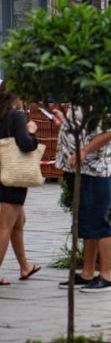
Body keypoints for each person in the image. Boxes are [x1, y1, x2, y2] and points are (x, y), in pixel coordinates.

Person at [53, 106, 111, 292]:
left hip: (95, 171)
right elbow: (82, 130)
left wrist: (84, 151)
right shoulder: (81, 99)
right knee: (89, 224)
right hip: (80, 170)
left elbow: (110, 131)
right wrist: (64, 124)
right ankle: (87, 273)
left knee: (99, 222)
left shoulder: (100, 100)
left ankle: (106, 276)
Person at [0, 83, 42, 285]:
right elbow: (25, 144)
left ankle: (24, 266)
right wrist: (31, 132)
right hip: (13, 176)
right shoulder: (16, 116)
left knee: (19, 221)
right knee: (5, 227)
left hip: (1, 172)